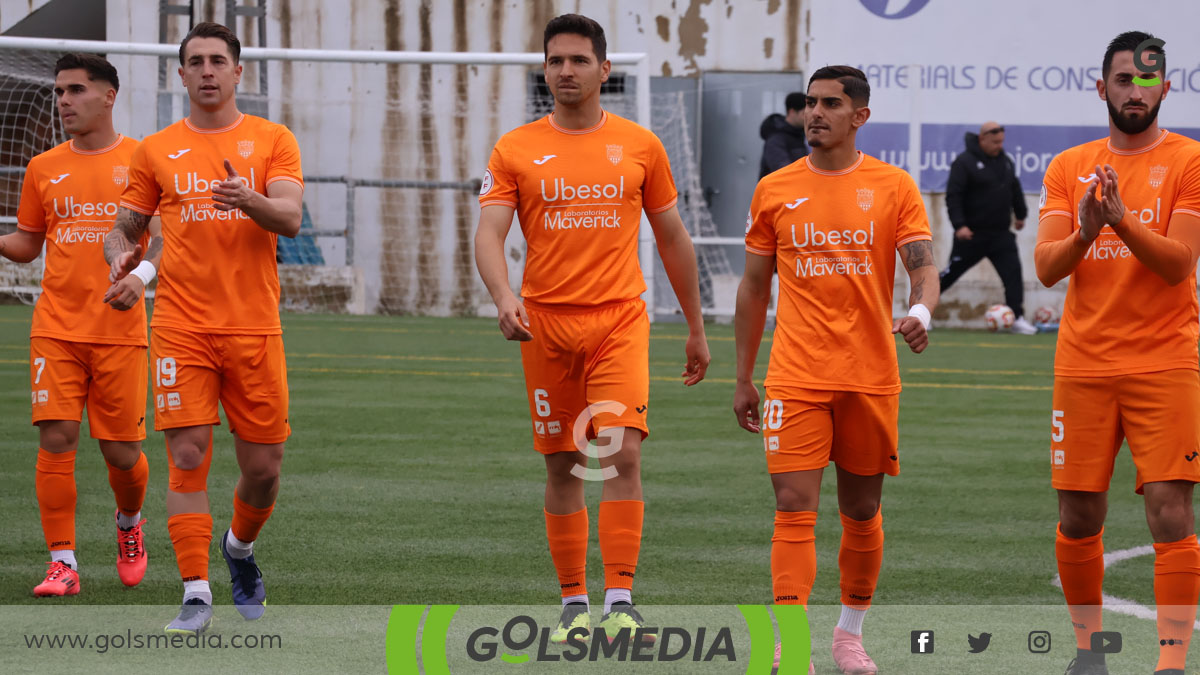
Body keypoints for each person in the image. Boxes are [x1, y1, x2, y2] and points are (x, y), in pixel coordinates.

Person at [474, 13, 710, 645]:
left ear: (605, 69)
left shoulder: (640, 145)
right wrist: (503, 296)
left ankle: (621, 597)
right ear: (544, 69)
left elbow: (671, 237)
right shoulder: (515, 148)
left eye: (579, 60)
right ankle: (574, 600)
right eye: (556, 61)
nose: (566, 71)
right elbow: (490, 232)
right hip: (544, 325)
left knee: (621, 450)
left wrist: (695, 325)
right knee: (563, 465)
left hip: (618, 320)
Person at [734, 65, 939, 675]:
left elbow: (922, 265)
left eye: (830, 103)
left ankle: (849, 637)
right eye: (809, 102)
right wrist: (744, 377)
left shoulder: (894, 186)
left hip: (870, 376)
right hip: (795, 375)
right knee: (793, 506)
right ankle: (794, 646)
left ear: (860, 116)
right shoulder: (775, 188)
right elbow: (752, 290)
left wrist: (922, 307)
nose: (815, 113)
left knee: (861, 511)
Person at [105, 22, 304, 634]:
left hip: (254, 329)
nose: (209, 70)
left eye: (220, 60)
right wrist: (119, 253)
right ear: (182, 74)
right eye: (197, 61)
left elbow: (291, 218)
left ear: (239, 72)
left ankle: (238, 550)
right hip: (180, 327)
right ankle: (195, 593)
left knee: (264, 469)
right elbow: (125, 226)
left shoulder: (273, 139)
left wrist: (249, 201)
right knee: (187, 457)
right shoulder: (156, 148)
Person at [1035, 31, 1200, 675]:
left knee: (1170, 511)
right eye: (1124, 79)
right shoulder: (1068, 165)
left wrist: (1122, 219)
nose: (1137, 90)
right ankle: (1088, 653)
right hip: (1084, 365)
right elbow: (1048, 268)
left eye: (1148, 79)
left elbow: (1178, 265)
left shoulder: (1189, 160)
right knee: (1078, 515)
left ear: (1167, 86)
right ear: (1102, 87)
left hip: (1165, 362)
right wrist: (1087, 229)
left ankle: (1170, 663)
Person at [0, 53, 158, 598]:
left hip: (119, 330)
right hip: (56, 328)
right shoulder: (43, 167)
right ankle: (62, 563)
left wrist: (142, 274)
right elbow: (26, 245)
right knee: (57, 438)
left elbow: (161, 237)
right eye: (59, 91)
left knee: (121, 454)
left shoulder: (143, 158)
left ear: (108, 95)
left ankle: (129, 523)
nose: (63, 100)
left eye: (75, 90)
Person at [940, 121, 1037, 334]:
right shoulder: (964, 163)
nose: (999, 146)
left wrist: (1020, 215)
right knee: (948, 275)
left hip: (1000, 235)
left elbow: (1015, 188)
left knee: (1013, 275)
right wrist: (960, 226)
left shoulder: (1006, 162)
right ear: (982, 138)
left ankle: (1017, 317)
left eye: (1001, 141)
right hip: (971, 235)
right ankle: (921, 311)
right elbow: (953, 197)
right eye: (994, 142)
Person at [759, 92, 809, 178]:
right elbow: (783, 171)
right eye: (804, 114)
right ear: (792, 112)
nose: (808, 118)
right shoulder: (776, 139)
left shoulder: (802, 134)